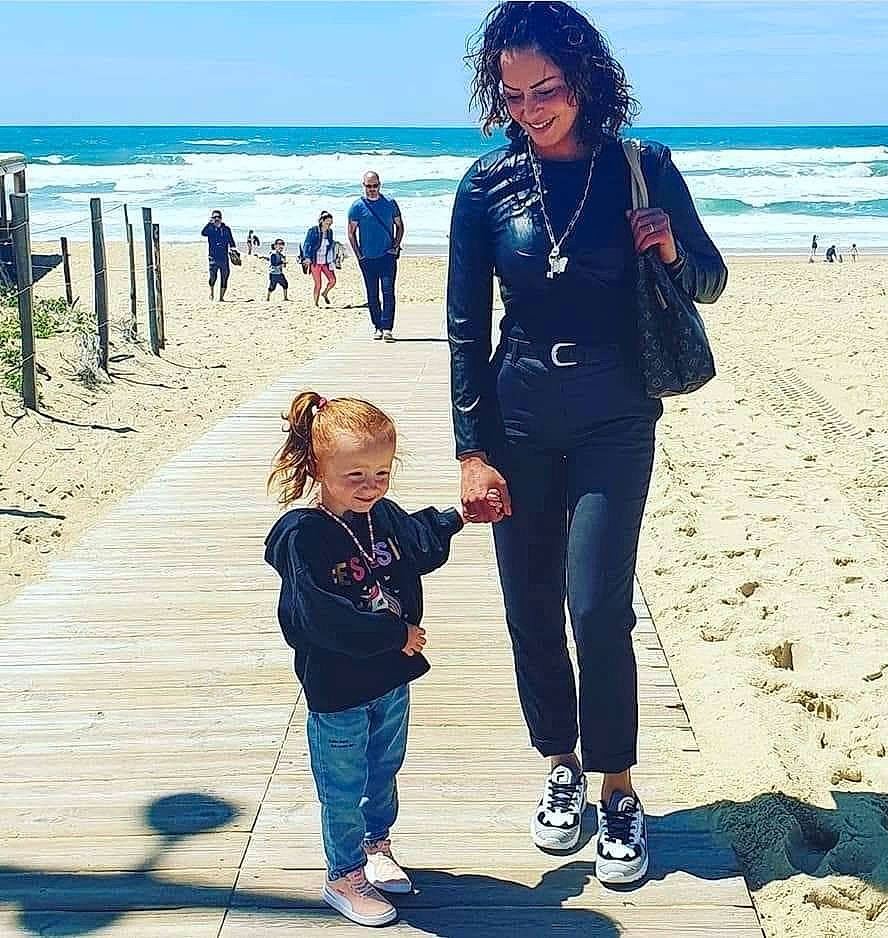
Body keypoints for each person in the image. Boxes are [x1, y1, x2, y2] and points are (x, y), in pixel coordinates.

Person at [448, 1, 726, 886]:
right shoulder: (484, 184)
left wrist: (671, 249)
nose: (530, 109)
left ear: (587, 82)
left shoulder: (640, 168)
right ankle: (559, 768)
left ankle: (618, 789)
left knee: (596, 605)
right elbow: (463, 326)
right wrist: (470, 448)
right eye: (514, 93)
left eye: (549, 91)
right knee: (528, 607)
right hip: (518, 414)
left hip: (614, 412)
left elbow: (711, 281)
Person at [264, 392, 469, 927]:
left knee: (384, 770)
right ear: (317, 467)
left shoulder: (383, 517)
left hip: (390, 680)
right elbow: (316, 617)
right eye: (355, 474)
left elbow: (420, 544)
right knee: (343, 783)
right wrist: (392, 632)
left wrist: (459, 516)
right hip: (338, 689)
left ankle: (377, 848)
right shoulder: (303, 536)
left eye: (381, 472)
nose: (370, 485)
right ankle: (343, 874)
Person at [348, 172, 403, 342]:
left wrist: (394, 247)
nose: (372, 189)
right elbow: (351, 233)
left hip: (387, 256)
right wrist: (359, 255)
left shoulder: (390, 203)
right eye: (368, 186)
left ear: (380, 185)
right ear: (363, 185)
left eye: (375, 186)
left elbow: (400, 226)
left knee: (388, 292)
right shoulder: (357, 206)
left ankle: (387, 328)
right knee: (372, 294)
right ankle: (377, 326)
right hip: (367, 258)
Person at [302, 211, 339, 307]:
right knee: (318, 284)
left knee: (332, 280)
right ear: (322, 221)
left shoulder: (330, 232)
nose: (329, 225)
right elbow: (307, 244)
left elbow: (330, 244)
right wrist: (307, 257)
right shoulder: (313, 231)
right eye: (327, 223)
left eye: (330, 223)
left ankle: (325, 293)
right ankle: (316, 304)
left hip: (326, 261)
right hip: (315, 261)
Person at [200, 210, 236, 301]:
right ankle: (211, 292)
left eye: (218, 217)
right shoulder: (210, 229)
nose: (217, 219)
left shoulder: (226, 229)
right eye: (214, 217)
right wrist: (209, 223)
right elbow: (203, 233)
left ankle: (221, 297)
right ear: (212, 218)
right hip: (213, 257)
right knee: (213, 277)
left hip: (224, 257)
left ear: (221, 218)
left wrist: (233, 250)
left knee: (225, 276)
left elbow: (231, 241)